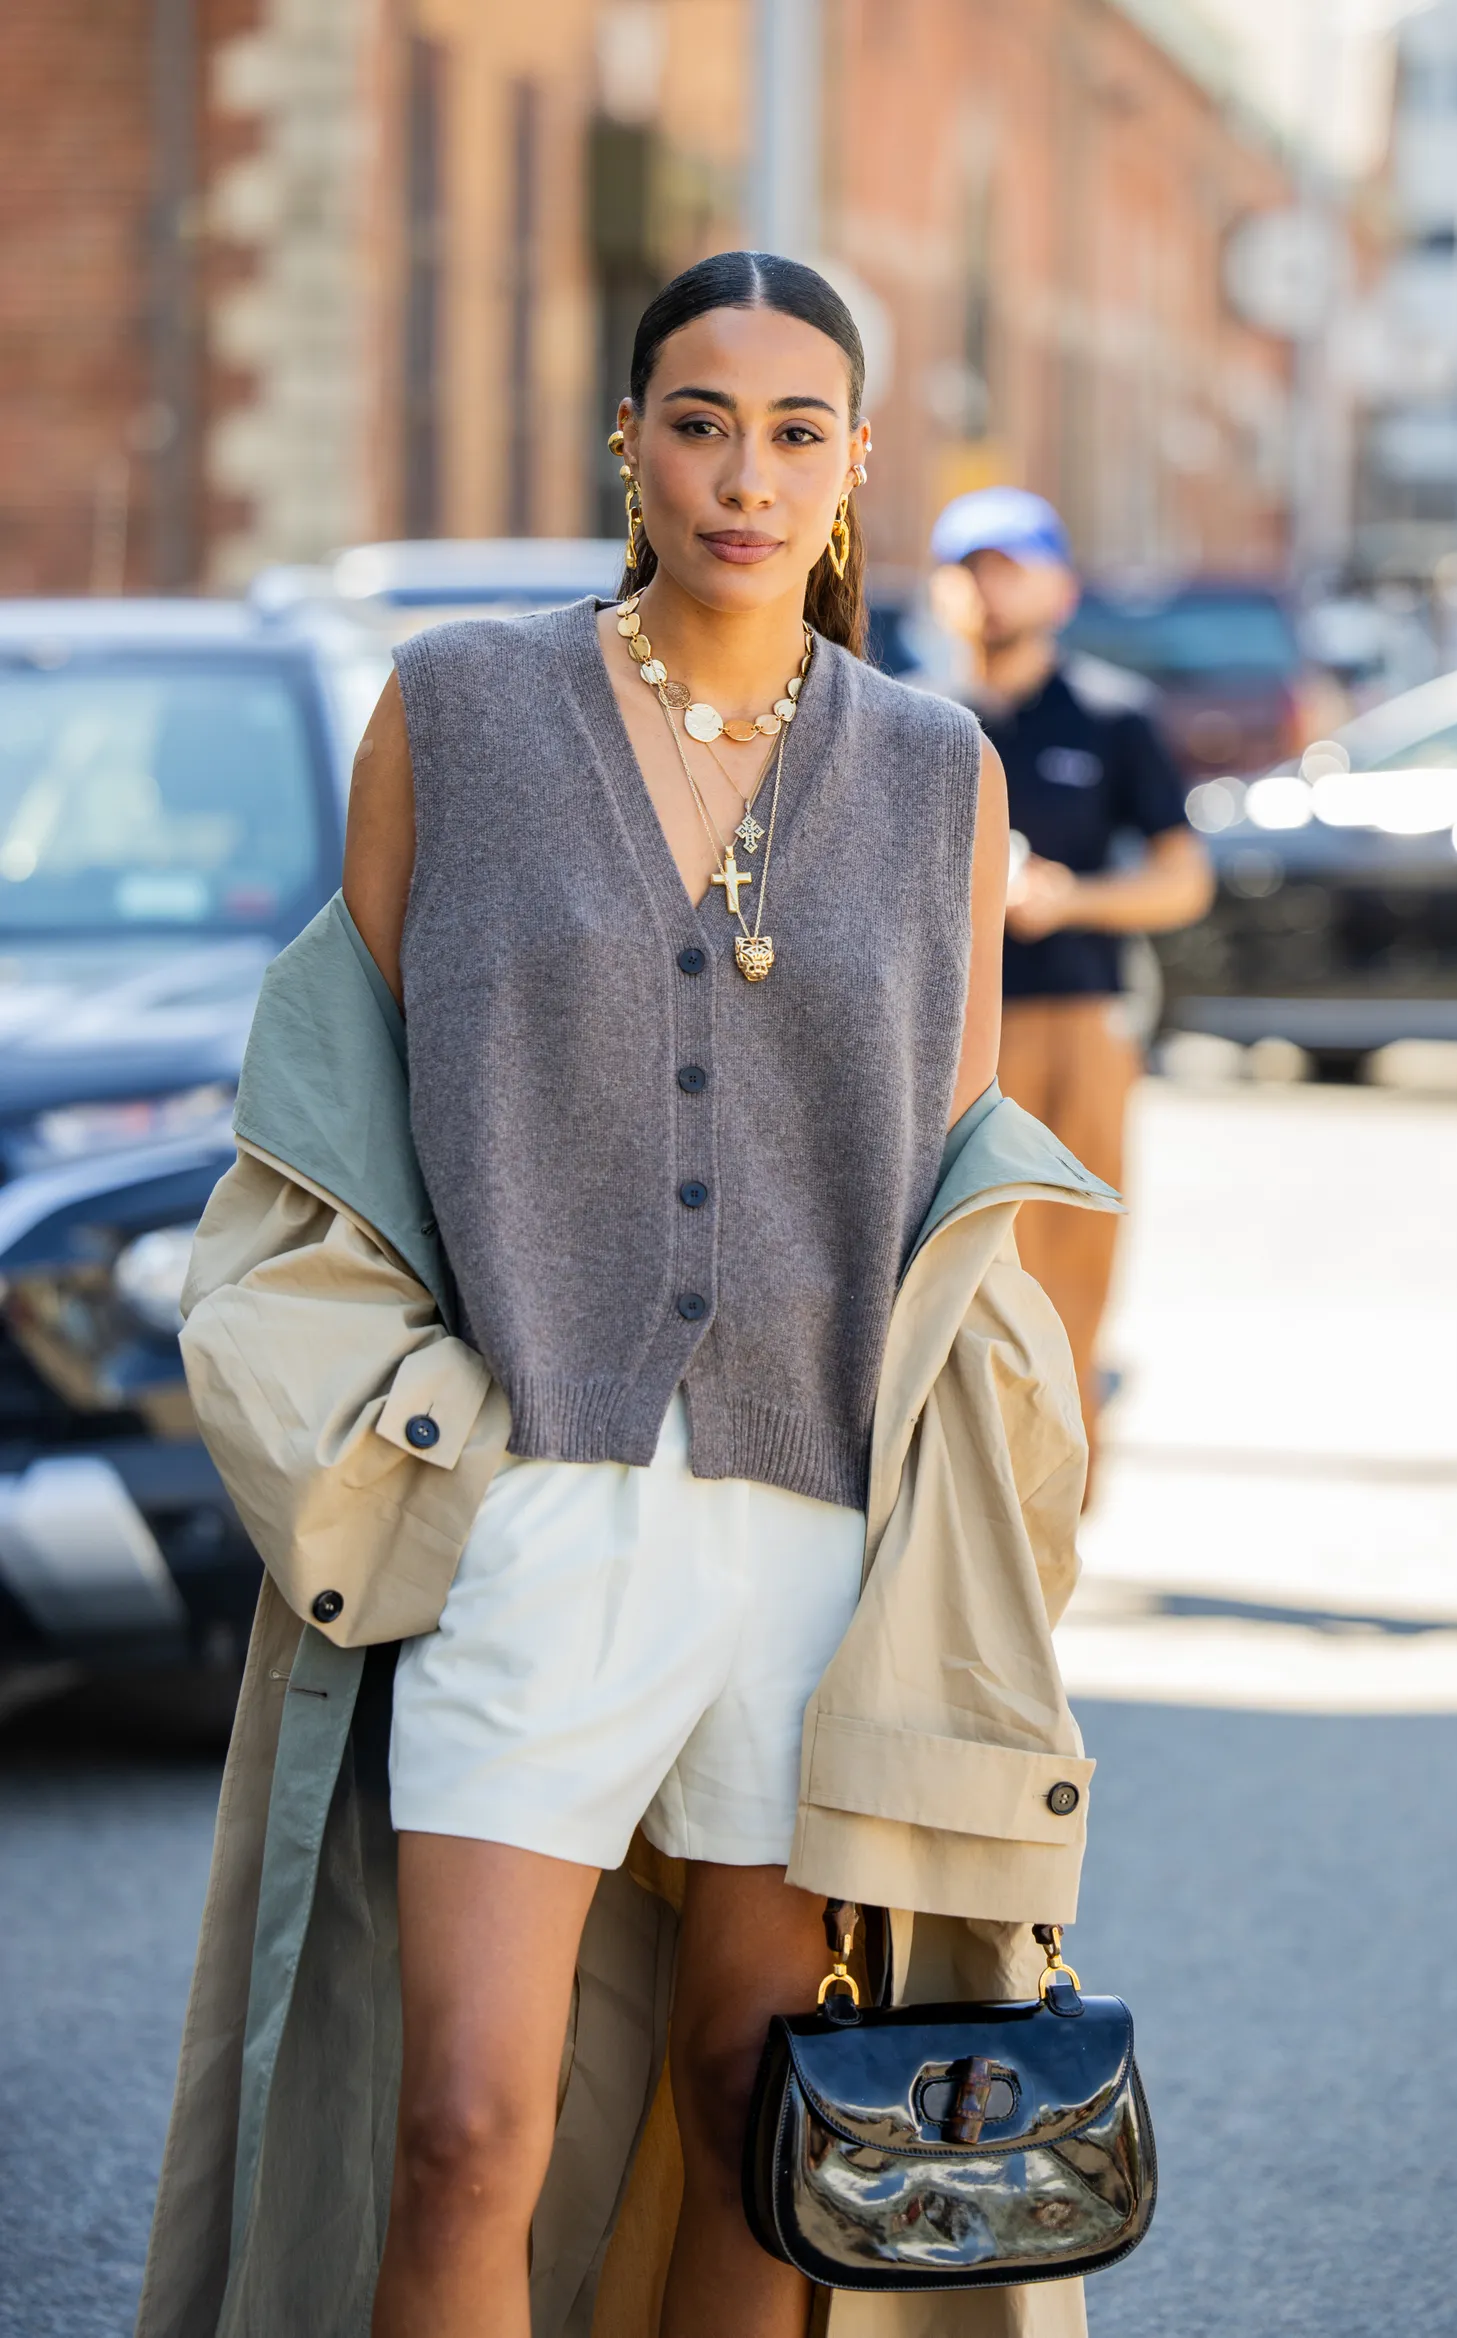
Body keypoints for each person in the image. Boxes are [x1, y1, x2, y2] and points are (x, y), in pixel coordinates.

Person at [344, 254, 1010, 2338]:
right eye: (700, 420)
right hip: (528, 1500)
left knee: (758, 2100)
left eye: (795, 430)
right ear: (626, 441)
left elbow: (962, 1188)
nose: (744, 472)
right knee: (463, 2117)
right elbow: (336, 1119)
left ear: (854, 466)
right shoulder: (457, 704)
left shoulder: (933, 774)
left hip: (810, 1524)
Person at [930, 487, 1214, 1466]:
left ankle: (1061, 1483)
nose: (989, 593)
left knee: (1070, 1267)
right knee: (942, 1274)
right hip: (939, 1033)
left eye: (1010, 569)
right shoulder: (912, 721)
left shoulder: (1111, 717)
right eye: (970, 571)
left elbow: (1182, 883)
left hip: (1075, 1019)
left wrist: (1070, 898)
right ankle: (953, 1486)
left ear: (1060, 585)